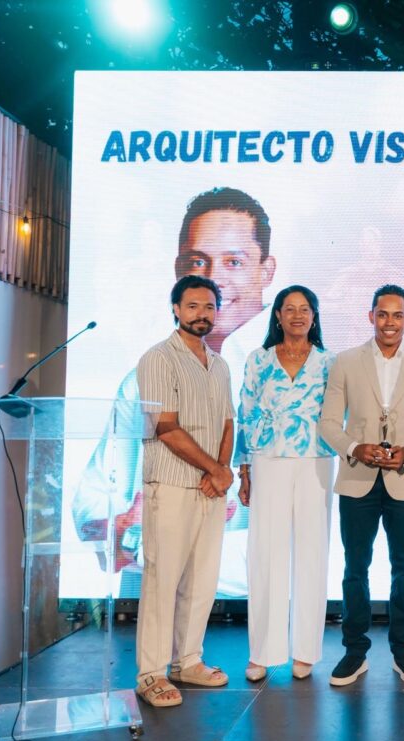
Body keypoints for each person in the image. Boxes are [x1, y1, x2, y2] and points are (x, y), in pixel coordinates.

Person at [73, 187, 276, 596]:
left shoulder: (286, 378)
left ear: (266, 271)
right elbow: (95, 497)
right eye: (198, 261)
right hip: (149, 588)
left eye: (234, 261)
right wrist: (122, 528)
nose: (214, 278)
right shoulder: (143, 375)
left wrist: (153, 542)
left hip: (247, 604)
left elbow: (284, 549)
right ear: (179, 271)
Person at [318, 284, 404, 686]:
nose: (389, 322)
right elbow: (328, 424)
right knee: (355, 568)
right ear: (370, 316)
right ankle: (354, 652)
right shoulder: (345, 362)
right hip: (357, 479)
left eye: (397, 315)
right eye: (382, 314)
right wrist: (355, 448)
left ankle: (403, 651)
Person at [134, 275, 235, 708]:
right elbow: (166, 427)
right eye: (192, 306)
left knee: (202, 579)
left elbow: (228, 422)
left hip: (210, 488)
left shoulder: (220, 364)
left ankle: (187, 661)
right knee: (163, 581)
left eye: (209, 306)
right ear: (176, 309)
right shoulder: (158, 358)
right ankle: (151, 674)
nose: (201, 314)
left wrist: (222, 472)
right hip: (172, 483)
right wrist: (215, 469)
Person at [234, 285, 336, 683]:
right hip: (268, 460)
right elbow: (244, 413)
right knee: (266, 554)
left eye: (304, 309)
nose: (297, 315)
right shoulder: (258, 359)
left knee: (312, 555)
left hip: (316, 461)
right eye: (288, 308)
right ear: (277, 315)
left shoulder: (329, 362)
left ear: (314, 316)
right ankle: (263, 652)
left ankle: (306, 650)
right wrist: (244, 469)